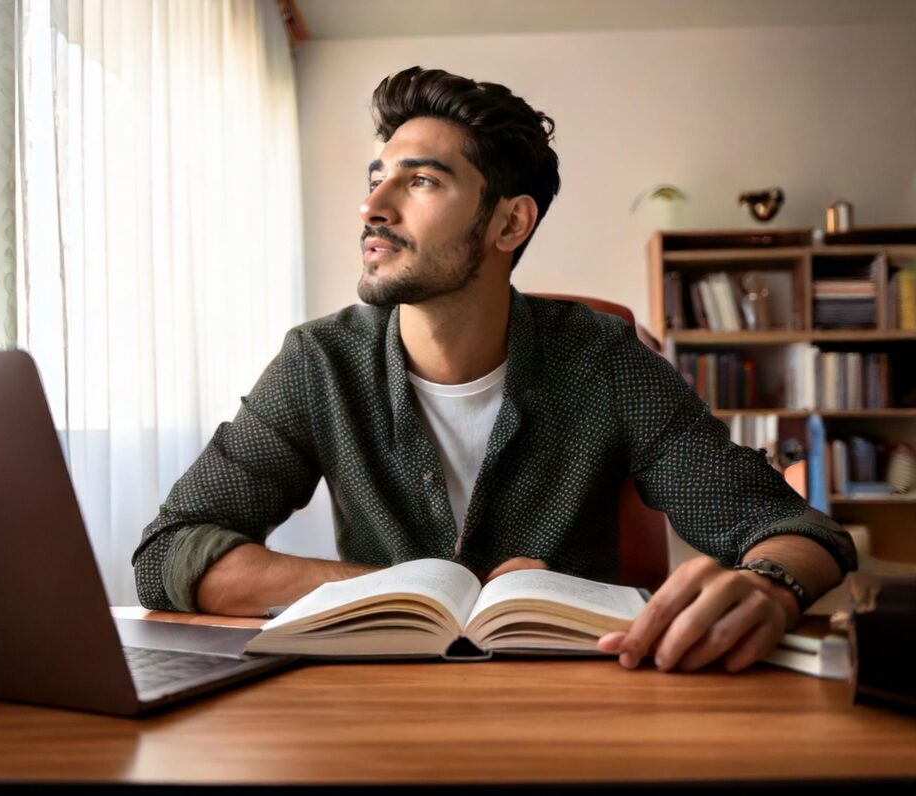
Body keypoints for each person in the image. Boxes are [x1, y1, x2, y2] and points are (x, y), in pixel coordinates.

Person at [133, 66, 856, 674]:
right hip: (376, 707)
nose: (372, 205)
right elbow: (171, 551)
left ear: (510, 224)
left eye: (420, 182)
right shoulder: (318, 362)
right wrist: (404, 590)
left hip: (580, 703)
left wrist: (772, 588)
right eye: (377, 176)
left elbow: (789, 526)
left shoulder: (603, 358)